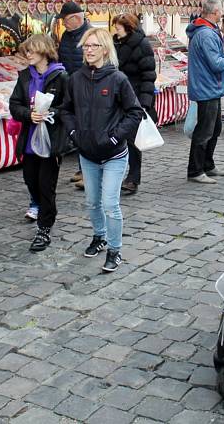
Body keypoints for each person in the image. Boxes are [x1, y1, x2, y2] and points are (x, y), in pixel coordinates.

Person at [60, 28, 143, 272]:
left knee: (110, 203)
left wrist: (116, 137)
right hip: (87, 153)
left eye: (94, 45)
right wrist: (75, 134)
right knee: (92, 202)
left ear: (105, 49)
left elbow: (134, 112)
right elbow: (66, 109)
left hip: (114, 154)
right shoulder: (76, 78)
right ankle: (99, 236)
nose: (88, 50)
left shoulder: (118, 79)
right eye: (86, 46)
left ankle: (115, 250)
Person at [9, 35, 68, 252]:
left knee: (46, 185)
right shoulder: (25, 76)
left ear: (44, 50)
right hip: (29, 139)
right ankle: (40, 208)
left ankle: (44, 228)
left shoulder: (61, 76)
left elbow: (68, 107)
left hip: (51, 141)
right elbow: (14, 104)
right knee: (30, 180)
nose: (28, 55)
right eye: (27, 51)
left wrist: (51, 113)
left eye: (32, 51)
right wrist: (28, 114)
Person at [186, 0, 224, 184]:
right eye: (221, 10)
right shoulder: (206, 34)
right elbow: (216, 63)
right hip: (207, 88)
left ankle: (207, 164)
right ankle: (195, 170)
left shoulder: (208, 30)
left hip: (210, 87)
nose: (222, 13)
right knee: (204, 131)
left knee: (214, 128)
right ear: (215, 12)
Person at [112, 13, 157, 195]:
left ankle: (133, 178)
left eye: (118, 27)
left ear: (128, 28)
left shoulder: (142, 45)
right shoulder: (114, 43)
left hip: (135, 97)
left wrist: (144, 104)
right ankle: (113, 174)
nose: (115, 30)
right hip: (115, 97)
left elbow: (148, 75)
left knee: (132, 140)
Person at [57, 2, 92, 189]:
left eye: (65, 20)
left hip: (87, 90)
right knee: (77, 130)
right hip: (70, 90)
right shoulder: (66, 36)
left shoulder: (91, 36)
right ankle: (82, 169)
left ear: (76, 18)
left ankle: (88, 171)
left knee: (87, 130)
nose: (63, 23)